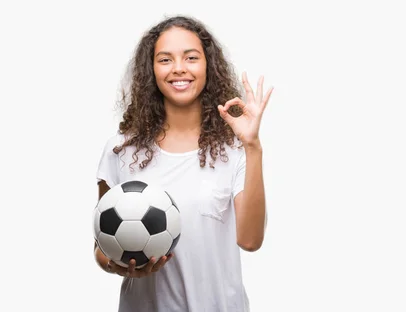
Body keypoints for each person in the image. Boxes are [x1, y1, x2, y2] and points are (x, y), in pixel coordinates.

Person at [93, 15, 273, 312]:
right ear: (151, 70)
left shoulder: (234, 149)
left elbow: (251, 240)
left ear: (207, 67)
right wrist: (119, 267)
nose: (179, 68)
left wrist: (253, 146)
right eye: (165, 59)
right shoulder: (121, 149)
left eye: (191, 58)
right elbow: (103, 246)